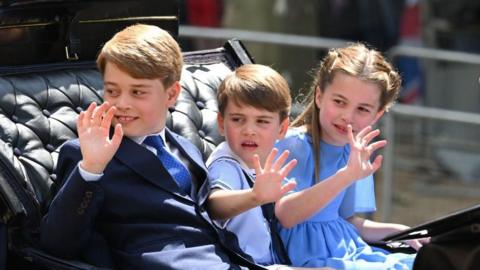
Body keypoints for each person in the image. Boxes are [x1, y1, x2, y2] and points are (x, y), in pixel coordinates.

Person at [40, 24, 263, 270]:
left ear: (171, 94)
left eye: (137, 92)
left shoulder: (186, 148)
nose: (122, 103)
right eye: (112, 91)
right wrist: (91, 168)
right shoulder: (86, 154)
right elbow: (57, 243)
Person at [274, 43, 427, 269]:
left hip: (349, 249)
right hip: (311, 258)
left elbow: (346, 221)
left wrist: (399, 230)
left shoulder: (356, 150)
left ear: (377, 115)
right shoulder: (292, 144)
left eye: (363, 109)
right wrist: (346, 175)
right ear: (319, 96)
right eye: (339, 102)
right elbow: (286, 216)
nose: (348, 116)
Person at [205, 64, 297, 267]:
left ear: (282, 129)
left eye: (262, 121)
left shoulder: (269, 161)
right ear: (221, 123)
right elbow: (214, 204)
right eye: (238, 119)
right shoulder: (226, 162)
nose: (249, 130)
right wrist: (255, 196)